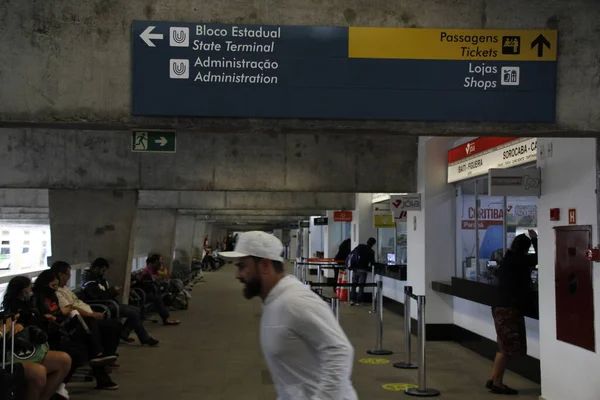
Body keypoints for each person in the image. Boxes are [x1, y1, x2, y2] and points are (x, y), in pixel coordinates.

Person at [220, 231, 358, 399]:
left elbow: (339, 350)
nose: (237, 275)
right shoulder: (273, 300)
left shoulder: (296, 301)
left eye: (242, 266)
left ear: (265, 265)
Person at [487, 230, 538, 395]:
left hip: (500, 307)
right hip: (509, 309)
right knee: (506, 348)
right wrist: (535, 239)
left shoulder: (508, 258)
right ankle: (497, 382)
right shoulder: (519, 260)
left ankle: (494, 378)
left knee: (503, 345)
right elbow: (540, 258)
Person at [82, 257, 159, 346]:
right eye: (103, 270)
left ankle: (124, 333)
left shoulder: (99, 279)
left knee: (137, 310)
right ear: (96, 268)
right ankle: (145, 338)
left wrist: (113, 292)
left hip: (108, 303)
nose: (103, 273)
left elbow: (104, 293)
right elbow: (98, 296)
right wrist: (112, 291)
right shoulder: (90, 282)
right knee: (133, 313)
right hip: (102, 306)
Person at [0, 313, 72, 400]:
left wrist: (19, 324)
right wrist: (2, 331)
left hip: (7, 350)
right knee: (38, 372)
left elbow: (25, 313)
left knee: (63, 360)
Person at [138, 254, 180, 325]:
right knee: (157, 298)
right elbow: (153, 278)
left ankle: (166, 317)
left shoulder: (154, 268)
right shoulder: (148, 269)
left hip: (150, 289)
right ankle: (166, 317)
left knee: (159, 297)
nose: (161, 262)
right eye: (160, 260)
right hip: (144, 292)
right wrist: (163, 276)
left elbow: (160, 275)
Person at [349, 237, 376, 306]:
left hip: (355, 269)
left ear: (367, 241)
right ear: (373, 244)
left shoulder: (360, 246)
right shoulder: (371, 252)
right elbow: (372, 263)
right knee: (361, 286)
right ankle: (358, 301)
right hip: (363, 270)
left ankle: (352, 300)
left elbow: (353, 254)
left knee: (354, 285)